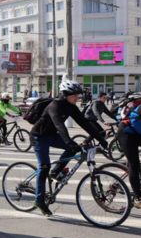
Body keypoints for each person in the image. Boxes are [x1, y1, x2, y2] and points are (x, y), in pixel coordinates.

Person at [31, 80, 108, 216]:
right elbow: (59, 125)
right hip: (39, 137)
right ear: (66, 94)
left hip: (52, 135)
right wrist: (69, 141)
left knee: (73, 149)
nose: (78, 98)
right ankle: (39, 200)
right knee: (44, 167)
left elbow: (85, 123)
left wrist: (101, 138)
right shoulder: (54, 106)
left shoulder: (71, 106)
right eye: (75, 95)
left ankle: (56, 172)